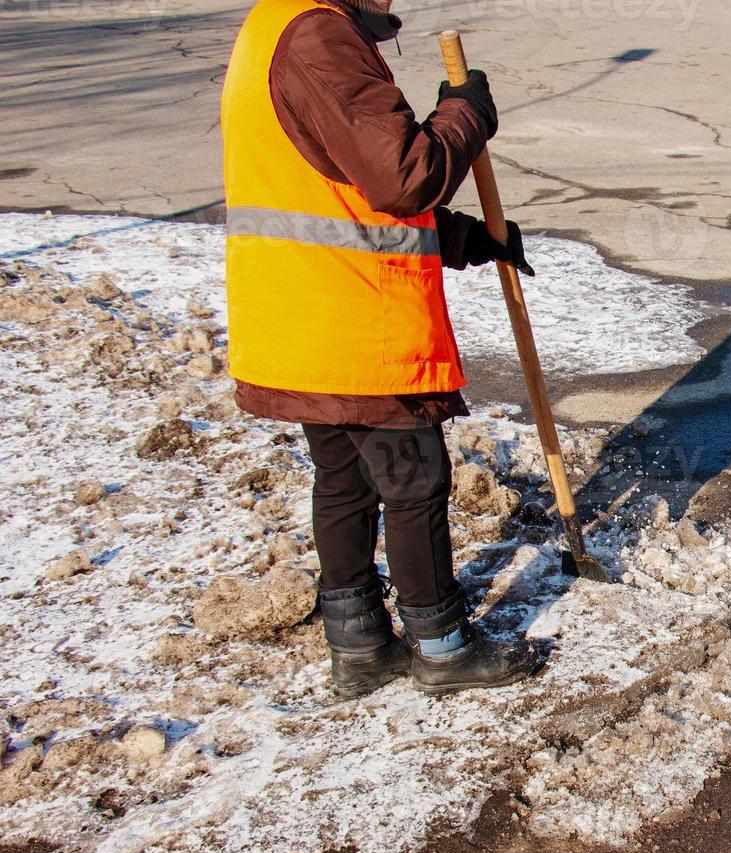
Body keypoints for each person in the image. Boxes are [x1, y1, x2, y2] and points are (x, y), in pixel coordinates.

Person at [220, 0, 537, 696]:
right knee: (414, 480)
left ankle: (359, 646)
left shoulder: (274, 24)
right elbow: (402, 178)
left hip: (303, 313)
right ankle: (444, 650)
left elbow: (332, 184)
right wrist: (465, 115)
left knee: (344, 479)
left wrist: (460, 239)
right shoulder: (320, 37)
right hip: (357, 320)